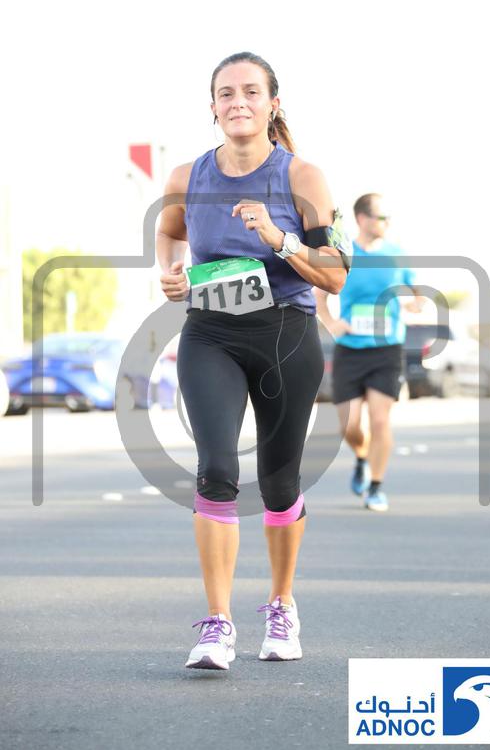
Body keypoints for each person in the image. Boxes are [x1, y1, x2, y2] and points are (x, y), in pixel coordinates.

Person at [156, 52, 351, 670]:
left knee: (278, 481)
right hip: (210, 332)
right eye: (225, 93)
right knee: (215, 469)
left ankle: (282, 604)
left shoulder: (304, 178)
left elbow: (336, 275)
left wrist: (279, 238)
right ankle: (217, 624)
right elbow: (169, 231)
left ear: (272, 103)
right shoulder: (187, 176)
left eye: (250, 91)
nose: (237, 101)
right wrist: (169, 271)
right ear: (212, 107)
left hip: (285, 334)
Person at [314, 193, 421, 513]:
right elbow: (320, 294)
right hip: (350, 349)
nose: (387, 222)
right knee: (349, 426)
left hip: (387, 348)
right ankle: (362, 457)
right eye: (381, 217)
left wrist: (414, 304)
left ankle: (375, 486)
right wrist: (332, 323)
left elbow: (416, 294)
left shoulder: (397, 255)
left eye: (388, 217)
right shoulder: (344, 253)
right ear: (362, 219)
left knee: (379, 419)